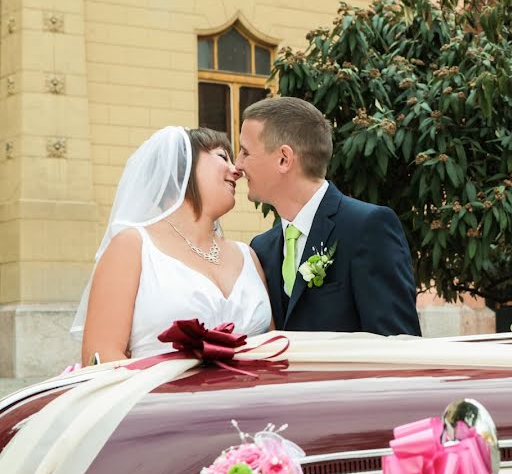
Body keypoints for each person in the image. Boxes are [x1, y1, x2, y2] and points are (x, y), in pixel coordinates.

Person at [71, 127, 272, 364]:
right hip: (159, 398)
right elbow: (101, 356)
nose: (236, 170)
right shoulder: (132, 247)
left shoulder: (248, 255)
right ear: (181, 168)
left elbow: (274, 345)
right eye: (222, 156)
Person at [237, 97, 421, 336]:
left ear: (284, 158)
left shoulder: (367, 227)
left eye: (244, 152)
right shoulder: (261, 248)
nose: (237, 164)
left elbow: (399, 345)